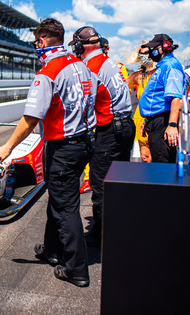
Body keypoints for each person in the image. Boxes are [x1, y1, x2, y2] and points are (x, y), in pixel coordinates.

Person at [0, 18, 97, 287]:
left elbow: (29, 119)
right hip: (85, 141)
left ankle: (76, 269)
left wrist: (8, 146)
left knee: (66, 208)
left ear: (41, 41)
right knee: (60, 199)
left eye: (36, 41)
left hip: (63, 145)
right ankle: (52, 250)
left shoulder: (47, 72)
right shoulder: (81, 66)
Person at [69, 27, 135, 247]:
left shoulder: (92, 66)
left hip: (110, 131)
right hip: (125, 126)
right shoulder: (109, 62)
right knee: (119, 181)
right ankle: (121, 226)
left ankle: (103, 236)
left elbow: (82, 104)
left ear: (80, 46)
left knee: (101, 184)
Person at [138, 34, 185, 163]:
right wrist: (148, 120)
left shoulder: (171, 66)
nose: (150, 53)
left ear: (163, 48)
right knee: (158, 162)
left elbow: (176, 97)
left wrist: (172, 125)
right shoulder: (163, 65)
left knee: (162, 165)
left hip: (163, 122)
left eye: (153, 48)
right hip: (157, 121)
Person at [126, 42, 157, 162]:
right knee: (145, 156)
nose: (145, 56)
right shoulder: (137, 76)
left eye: (147, 53)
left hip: (157, 116)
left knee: (158, 154)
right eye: (142, 54)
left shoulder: (160, 73)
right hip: (140, 116)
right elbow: (121, 89)